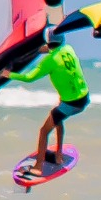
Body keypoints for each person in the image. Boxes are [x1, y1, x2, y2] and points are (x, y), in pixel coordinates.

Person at [7, 33, 90, 181]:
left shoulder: (50, 61)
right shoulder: (68, 49)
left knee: (44, 131)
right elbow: (53, 49)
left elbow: (29, 78)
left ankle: (38, 168)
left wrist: (7, 74)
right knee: (58, 117)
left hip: (71, 103)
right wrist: (37, 50)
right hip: (83, 98)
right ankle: (58, 156)